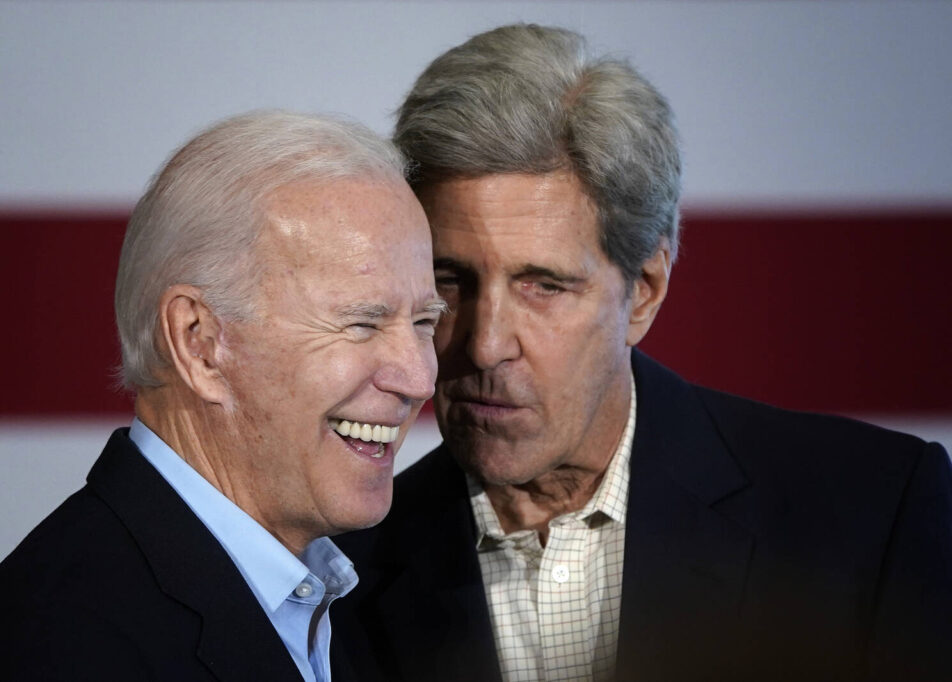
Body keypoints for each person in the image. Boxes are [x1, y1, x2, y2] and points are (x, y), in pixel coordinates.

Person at [330, 24, 952, 682]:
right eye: (451, 281)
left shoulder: (872, 514)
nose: (484, 345)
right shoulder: (338, 574)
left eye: (544, 286)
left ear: (646, 291)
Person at [0, 111, 444, 681]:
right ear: (199, 344)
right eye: (362, 325)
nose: (419, 379)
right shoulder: (53, 648)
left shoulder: (348, 608)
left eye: (424, 321)